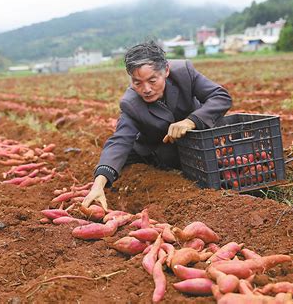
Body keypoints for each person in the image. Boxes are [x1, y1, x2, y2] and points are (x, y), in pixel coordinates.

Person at [82, 40, 232, 210]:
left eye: (152, 80)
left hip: (198, 142)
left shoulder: (184, 73)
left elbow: (220, 97)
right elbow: (120, 140)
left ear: (166, 70)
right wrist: (99, 183)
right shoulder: (131, 103)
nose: (146, 89)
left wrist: (191, 121)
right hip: (159, 150)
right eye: (137, 83)